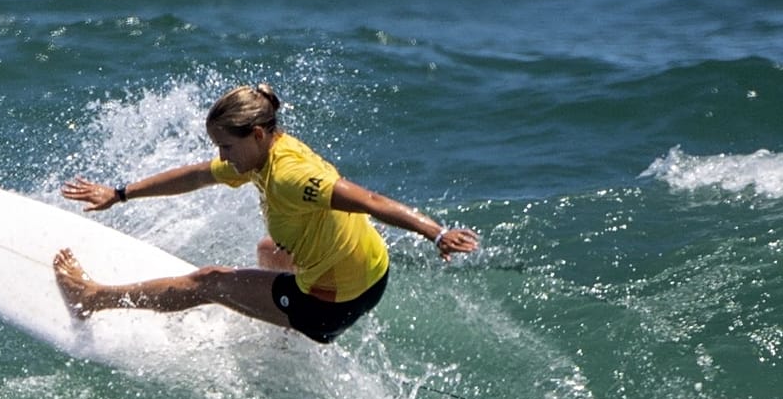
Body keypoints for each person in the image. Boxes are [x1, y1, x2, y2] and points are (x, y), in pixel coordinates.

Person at [54, 84, 479, 344]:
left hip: (332, 303)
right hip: (370, 274)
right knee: (270, 250)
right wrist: (120, 193)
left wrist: (436, 233)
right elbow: (198, 175)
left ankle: (91, 300)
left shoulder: (290, 176)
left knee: (210, 281)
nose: (222, 156)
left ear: (256, 134)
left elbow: (370, 200)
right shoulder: (265, 154)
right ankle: (286, 328)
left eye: (227, 147)